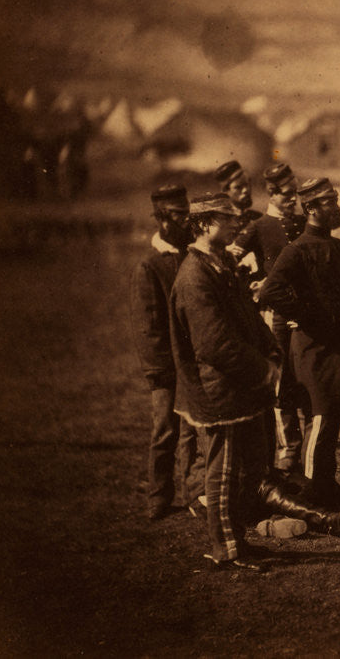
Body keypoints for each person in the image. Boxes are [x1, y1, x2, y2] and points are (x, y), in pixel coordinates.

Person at [170, 193, 340, 571]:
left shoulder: (220, 264)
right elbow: (213, 344)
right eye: (226, 218)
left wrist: (272, 353)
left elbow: (252, 320)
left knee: (248, 470)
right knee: (222, 474)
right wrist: (265, 370)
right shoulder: (194, 275)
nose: (237, 224)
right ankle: (227, 549)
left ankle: (240, 542)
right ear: (204, 224)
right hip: (218, 393)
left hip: (242, 389)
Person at [259, 178, 340, 509]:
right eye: (330, 201)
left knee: (333, 418)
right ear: (312, 209)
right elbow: (270, 291)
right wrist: (307, 315)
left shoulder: (338, 246)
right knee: (319, 418)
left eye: (336, 198)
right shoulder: (296, 250)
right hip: (312, 349)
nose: (337, 205)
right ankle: (313, 493)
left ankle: (326, 485)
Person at [129, 184, 203, 520]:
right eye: (178, 215)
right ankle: (158, 496)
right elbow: (149, 327)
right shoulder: (150, 265)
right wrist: (160, 371)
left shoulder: (192, 255)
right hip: (166, 367)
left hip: (194, 361)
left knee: (191, 428)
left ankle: (193, 492)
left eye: (187, 212)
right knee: (165, 430)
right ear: (161, 220)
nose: (186, 220)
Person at [248, 163, 309, 476]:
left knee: (307, 376)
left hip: (307, 314)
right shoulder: (257, 227)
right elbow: (236, 264)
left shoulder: (302, 223)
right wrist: (258, 284)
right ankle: (290, 449)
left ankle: (311, 450)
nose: (293, 199)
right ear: (272, 193)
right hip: (277, 316)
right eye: (288, 194)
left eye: (296, 193)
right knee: (282, 379)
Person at [214, 160, 264, 284]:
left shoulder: (258, 218)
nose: (246, 190)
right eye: (238, 187)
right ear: (225, 191)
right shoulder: (218, 225)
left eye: (247, 184)